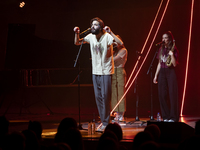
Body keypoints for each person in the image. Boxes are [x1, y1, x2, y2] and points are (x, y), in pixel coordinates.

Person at [74, 17, 123, 131]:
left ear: (101, 27)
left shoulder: (107, 36)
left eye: (95, 25)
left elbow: (120, 43)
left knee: (105, 97)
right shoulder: (90, 37)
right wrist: (76, 33)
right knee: (98, 98)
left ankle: (106, 123)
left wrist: (111, 32)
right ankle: (104, 121)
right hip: (95, 72)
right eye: (92, 24)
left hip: (106, 71)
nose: (92, 27)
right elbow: (77, 42)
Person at [153, 31, 179, 122]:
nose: (163, 40)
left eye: (165, 38)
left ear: (169, 39)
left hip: (170, 71)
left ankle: (173, 117)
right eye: (162, 38)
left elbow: (175, 64)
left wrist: (172, 56)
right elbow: (159, 63)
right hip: (162, 72)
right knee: (162, 94)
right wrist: (156, 75)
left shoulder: (173, 49)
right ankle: (166, 116)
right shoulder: (161, 49)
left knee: (172, 94)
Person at [111, 35, 127, 121]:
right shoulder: (114, 51)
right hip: (114, 72)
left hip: (120, 71)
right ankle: (116, 113)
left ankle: (121, 114)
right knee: (114, 93)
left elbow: (114, 59)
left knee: (120, 92)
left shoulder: (123, 50)